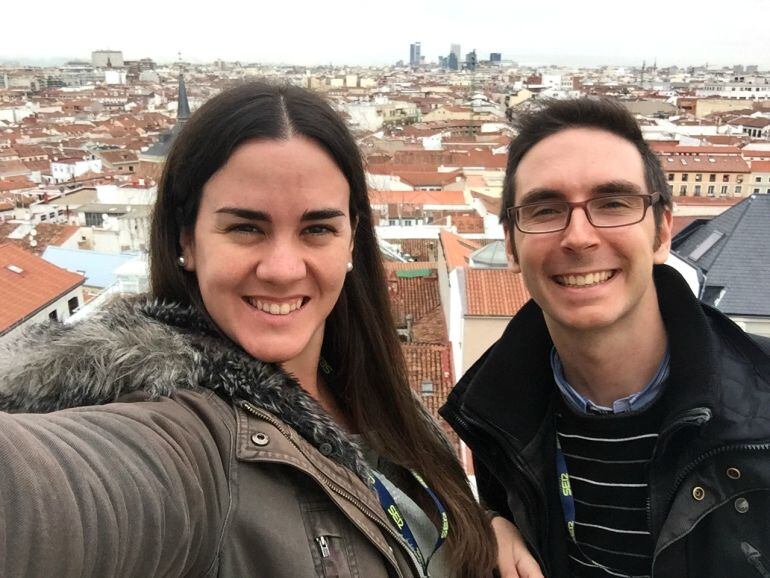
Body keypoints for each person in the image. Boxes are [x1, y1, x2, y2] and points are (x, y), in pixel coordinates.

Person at [0, 82, 497, 577]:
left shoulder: (382, 397)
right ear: (186, 240)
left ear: (351, 241)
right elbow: (51, 498)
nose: (282, 269)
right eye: (245, 228)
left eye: (317, 229)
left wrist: (487, 529)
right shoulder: (185, 440)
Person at [441, 98, 770, 577]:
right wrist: (483, 522)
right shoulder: (495, 416)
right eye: (546, 209)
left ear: (661, 232)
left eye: (613, 204)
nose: (579, 237)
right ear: (511, 245)